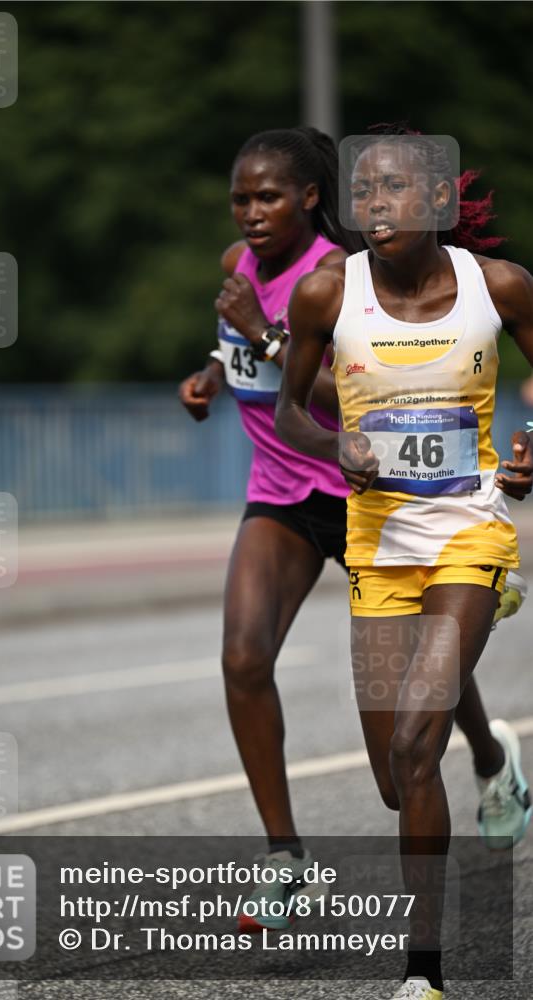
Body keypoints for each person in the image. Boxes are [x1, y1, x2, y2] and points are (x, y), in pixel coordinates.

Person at [179, 127, 529, 943]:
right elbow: (253, 365)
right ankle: (284, 858)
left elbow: (355, 384)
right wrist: (207, 372)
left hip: (369, 494)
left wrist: (263, 336)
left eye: (268, 197)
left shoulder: (341, 272)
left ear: (309, 199)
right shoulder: (240, 268)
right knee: (241, 654)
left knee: (423, 671)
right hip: (280, 489)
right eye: (241, 199)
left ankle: (483, 758)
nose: (252, 214)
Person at [276, 127, 532, 999]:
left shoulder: (495, 287)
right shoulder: (323, 295)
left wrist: (530, 451)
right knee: (395, 779)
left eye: (392, 189)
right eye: (363, 190)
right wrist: (332, 439)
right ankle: (491, 744)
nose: (373, 204)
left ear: (434, 204)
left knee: (418, 746)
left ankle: (421, 975)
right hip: (378, 543)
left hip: (468, 529)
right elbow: (289, 416)